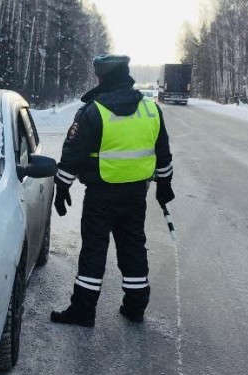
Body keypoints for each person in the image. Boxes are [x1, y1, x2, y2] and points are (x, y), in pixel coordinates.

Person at [50, 55, 174, 327]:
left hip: (101, 195)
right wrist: (164, 186)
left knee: (94, 250)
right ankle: (135, 306)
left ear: (103, 78)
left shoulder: (94, 111)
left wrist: (62, 186)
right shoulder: (150, 109)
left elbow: (73, 154)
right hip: (135, 194)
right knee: (133, 247)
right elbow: (162, 153)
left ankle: (83, 311)